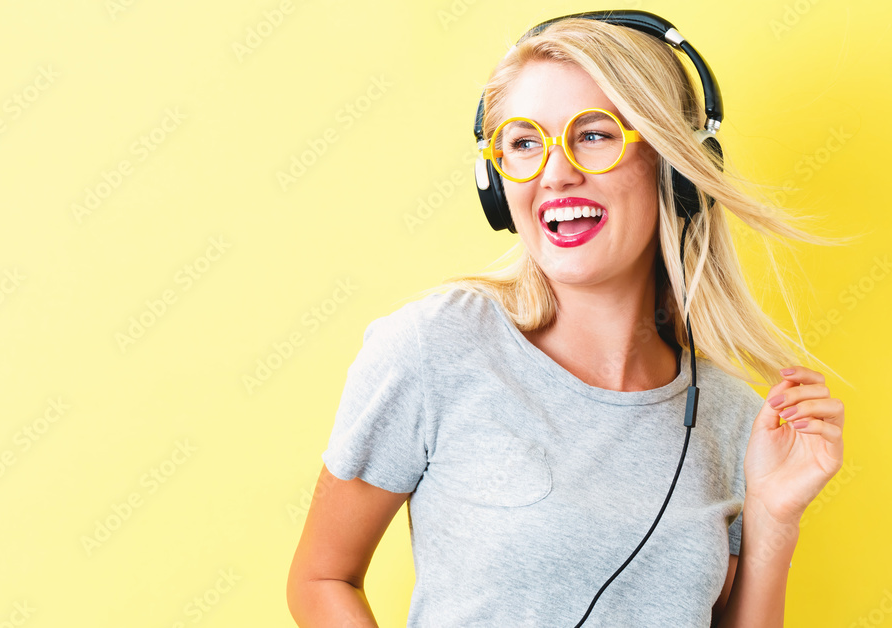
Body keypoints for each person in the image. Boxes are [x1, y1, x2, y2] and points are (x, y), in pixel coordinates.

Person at [288, 13, 849, 628]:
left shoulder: (737, 420)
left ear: (675, 168)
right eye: (524, 142)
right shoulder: (435, 346)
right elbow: (321, 579)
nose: (555, 173)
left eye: (595, 134)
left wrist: (774, 517)